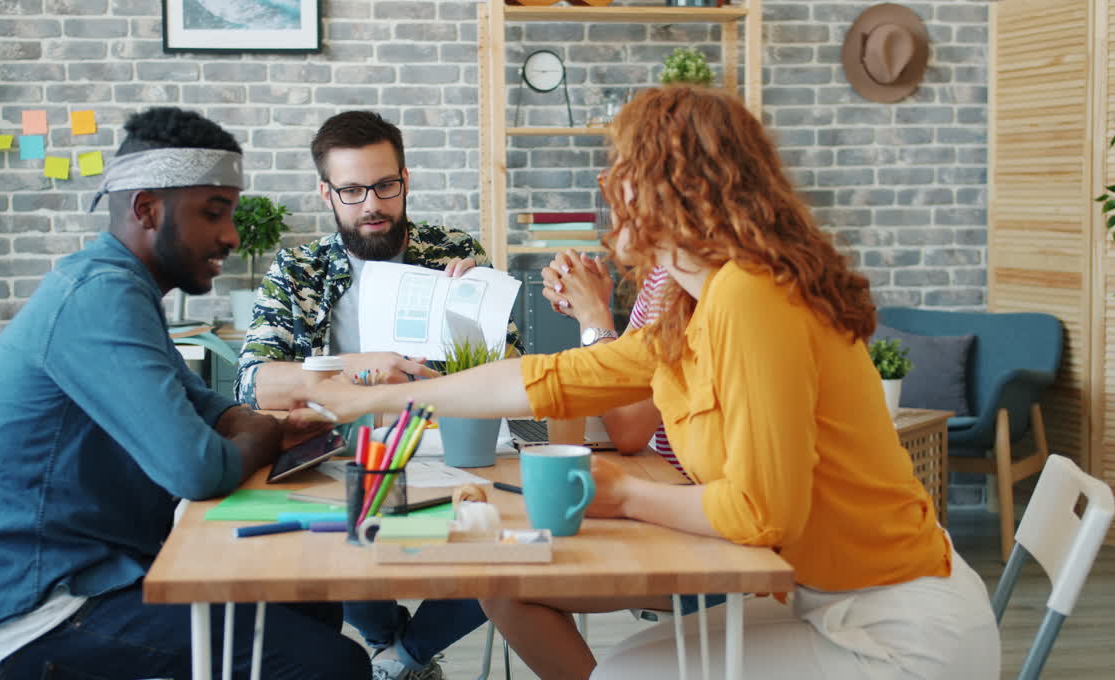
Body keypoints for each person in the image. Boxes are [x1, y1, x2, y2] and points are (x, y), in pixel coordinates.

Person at [291, 86, 1000, 680]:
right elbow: (554, 378)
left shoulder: (750, 295)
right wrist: (379, 398)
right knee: (608, 654)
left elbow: (762, 514)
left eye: (619, 171)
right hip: (819, 597)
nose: (607, 189)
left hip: (895, 627)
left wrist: (627, 495)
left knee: (620, 672)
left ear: (673, 185)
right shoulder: (696, 302)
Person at [0, 107, 371, 680]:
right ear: (146, 209)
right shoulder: (100, 296)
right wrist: (265, 433)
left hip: (99, 570)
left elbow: (207, 407)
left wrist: (249, 426)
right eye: (213, 213)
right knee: (334, 665)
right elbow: (198, 469)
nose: (231, 235)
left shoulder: (121, 286)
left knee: (312, 603)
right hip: (41, 610)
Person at [236, 110, 518, 680]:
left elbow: (510, 370)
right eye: (352, 190)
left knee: (513, 543)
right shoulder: (300, 267)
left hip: (451, 453)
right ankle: (397, 651)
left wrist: (475, 308)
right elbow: (253, 379)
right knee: (341, 529)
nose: (372, 204)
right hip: (344, 459)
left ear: (405, 179)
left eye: (386, 185)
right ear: (327, 192)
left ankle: (396, 656)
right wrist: (355, 366)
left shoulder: (453, 250)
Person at [541, 251, 684, 475]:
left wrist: (592, 315)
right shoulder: (660, 275)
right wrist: (587, 306)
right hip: (672, 480)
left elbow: (628, 429)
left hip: (687, 489)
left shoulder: (679, 279)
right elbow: (619, 383)